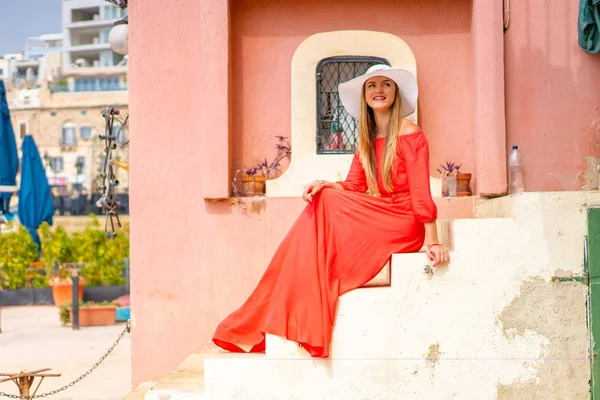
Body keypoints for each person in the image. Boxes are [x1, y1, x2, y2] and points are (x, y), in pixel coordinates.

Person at [212, 64, 450, 358]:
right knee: (321, 198)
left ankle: (300, 306)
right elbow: (353, 186)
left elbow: (420, 192)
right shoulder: (367, 138)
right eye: (371, 85)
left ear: (395, 92)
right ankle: (295, 298)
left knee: (324, 207)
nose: (378, 90)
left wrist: (433, 240)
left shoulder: (411, 134)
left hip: (403, 221)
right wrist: (323, 184)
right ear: (364, 96)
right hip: (381, 213)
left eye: (386, 84)